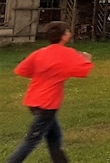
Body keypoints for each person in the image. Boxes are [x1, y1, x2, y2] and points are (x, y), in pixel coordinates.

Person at [7, 21, 93, 163]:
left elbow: (22, 70)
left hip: (33, 101)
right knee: (32, 140)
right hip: (47, 104)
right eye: (67, 31)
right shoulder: (67, 53)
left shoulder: (40, 53)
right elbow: (82, 71)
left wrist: (45, 74)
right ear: (64, 36)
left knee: (54, 137)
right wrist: (87, 60)